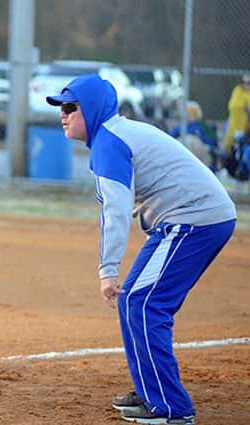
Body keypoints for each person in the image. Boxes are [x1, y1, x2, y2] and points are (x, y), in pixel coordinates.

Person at [46, 74, 236, 425]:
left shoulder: (109, 142)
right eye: (61, 107)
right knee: (134, 298)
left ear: (91, 109)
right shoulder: (114, 136)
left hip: (195, 219)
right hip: (189, 219)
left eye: (71, 107)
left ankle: (172, 408)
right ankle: (151, 390)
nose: (63, 114)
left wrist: (107, 269)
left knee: (144, 304)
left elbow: (115, 211)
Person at [169, 100, 219, 172]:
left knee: (190, 140)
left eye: (191, 113)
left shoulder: (204, 127)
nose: (188, 115)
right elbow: (170, 139)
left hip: (201, 159)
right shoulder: (179, 127)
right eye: (187, 113)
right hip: (182, 157)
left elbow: (212, 143)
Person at [220, 73, 250, 157]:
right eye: (244, 82)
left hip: (247, 126)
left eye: (249, 83)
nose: (246, 85)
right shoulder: (238, 90)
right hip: (235, 123)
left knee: (243, 148)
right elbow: (233, 106)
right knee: (230, 145)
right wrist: (245, 107)